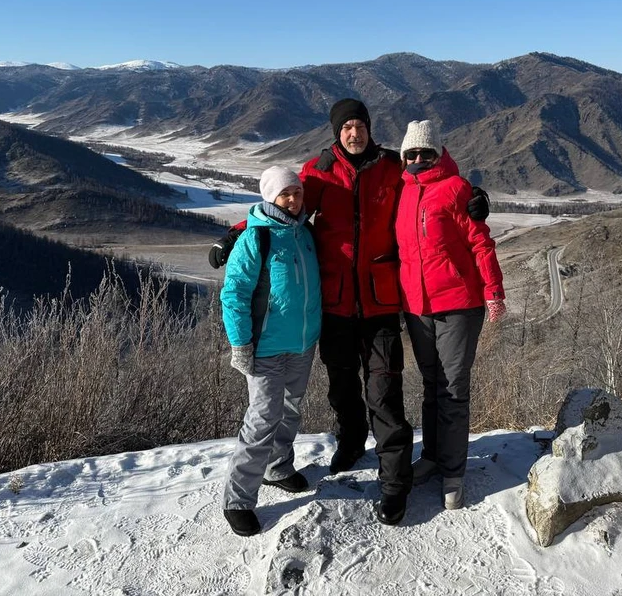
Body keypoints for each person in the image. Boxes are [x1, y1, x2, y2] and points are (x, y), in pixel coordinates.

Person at [210, 98, 490, 526]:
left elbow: (432, 183)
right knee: (341, 383)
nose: (354, 133)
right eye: (346, 127)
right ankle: (350, 442)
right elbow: (282, 209)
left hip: (380, 301)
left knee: (384, 393)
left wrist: (475, 196)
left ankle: (396, 482)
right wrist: (235, 232)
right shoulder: (320, 171)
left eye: (360, 125)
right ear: (336, 132)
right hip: (335, 301)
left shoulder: (393, 166)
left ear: (369, 129)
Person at [394, 120, 506, 511]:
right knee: (430, 384)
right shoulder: (401, 192)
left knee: (453, 389)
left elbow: (480, 243)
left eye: (426, 152)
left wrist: (493, 291)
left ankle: (454, 471)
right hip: (416, 305)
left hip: (458, 304)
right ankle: (432, 457)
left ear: (439, 153)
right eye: (412, 153)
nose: (418, 159)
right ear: (403, 157)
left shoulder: (457, 189)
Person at [219, 166, 321, 537]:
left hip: (302, 343)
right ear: (270, 198)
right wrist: (241, 344)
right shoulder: (256, 239)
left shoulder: (305, 233)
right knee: (262, 418)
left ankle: (277, 467)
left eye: (296, 192)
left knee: (291, 410)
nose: (293, 200)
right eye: (284, 195)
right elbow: (233, 295)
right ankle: (238, 499)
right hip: (265, 348)